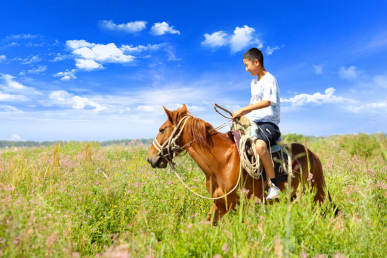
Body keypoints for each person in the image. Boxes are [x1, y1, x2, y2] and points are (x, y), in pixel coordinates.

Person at [232, 47, 281, 200]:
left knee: (260, 146)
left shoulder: (270, 79)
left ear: (256, 62)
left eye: (247, 65)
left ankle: (273, 185)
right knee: (232, 140)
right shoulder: (254, 82)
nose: (246, 69)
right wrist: (241, 115)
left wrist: (243, 109)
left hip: (268, 123)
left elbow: (267, 102)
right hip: (253, 122)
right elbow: (253, 104)